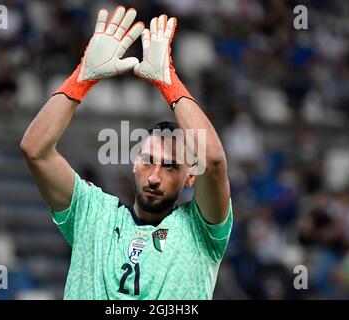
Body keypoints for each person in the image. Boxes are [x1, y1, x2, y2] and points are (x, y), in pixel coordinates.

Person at [20, 6, 233, 299]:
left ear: (190, 177)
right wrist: (83, 78)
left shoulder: (202, 231)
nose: (155, 176)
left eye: (170, 166)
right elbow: (35, 150)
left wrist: (167, 81)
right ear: (135, 162)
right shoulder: (92, 214)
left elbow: (213, 160)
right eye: (148, 161)